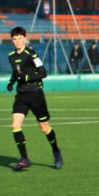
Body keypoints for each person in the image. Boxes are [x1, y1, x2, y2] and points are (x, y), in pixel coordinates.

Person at [6, 27, 63, 171]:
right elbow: (16, 71)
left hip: (35, 94)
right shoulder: (11, 56)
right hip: (21, 96)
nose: (18, 41)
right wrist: (11, 82)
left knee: (44, 127)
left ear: (25, 38)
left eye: (20, 38)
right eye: (15, 39)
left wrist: (26, 77)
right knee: (15, 126)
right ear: (12, 40)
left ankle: (56, 150)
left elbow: (43, 73)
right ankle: (24, 159)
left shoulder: (32, 55)